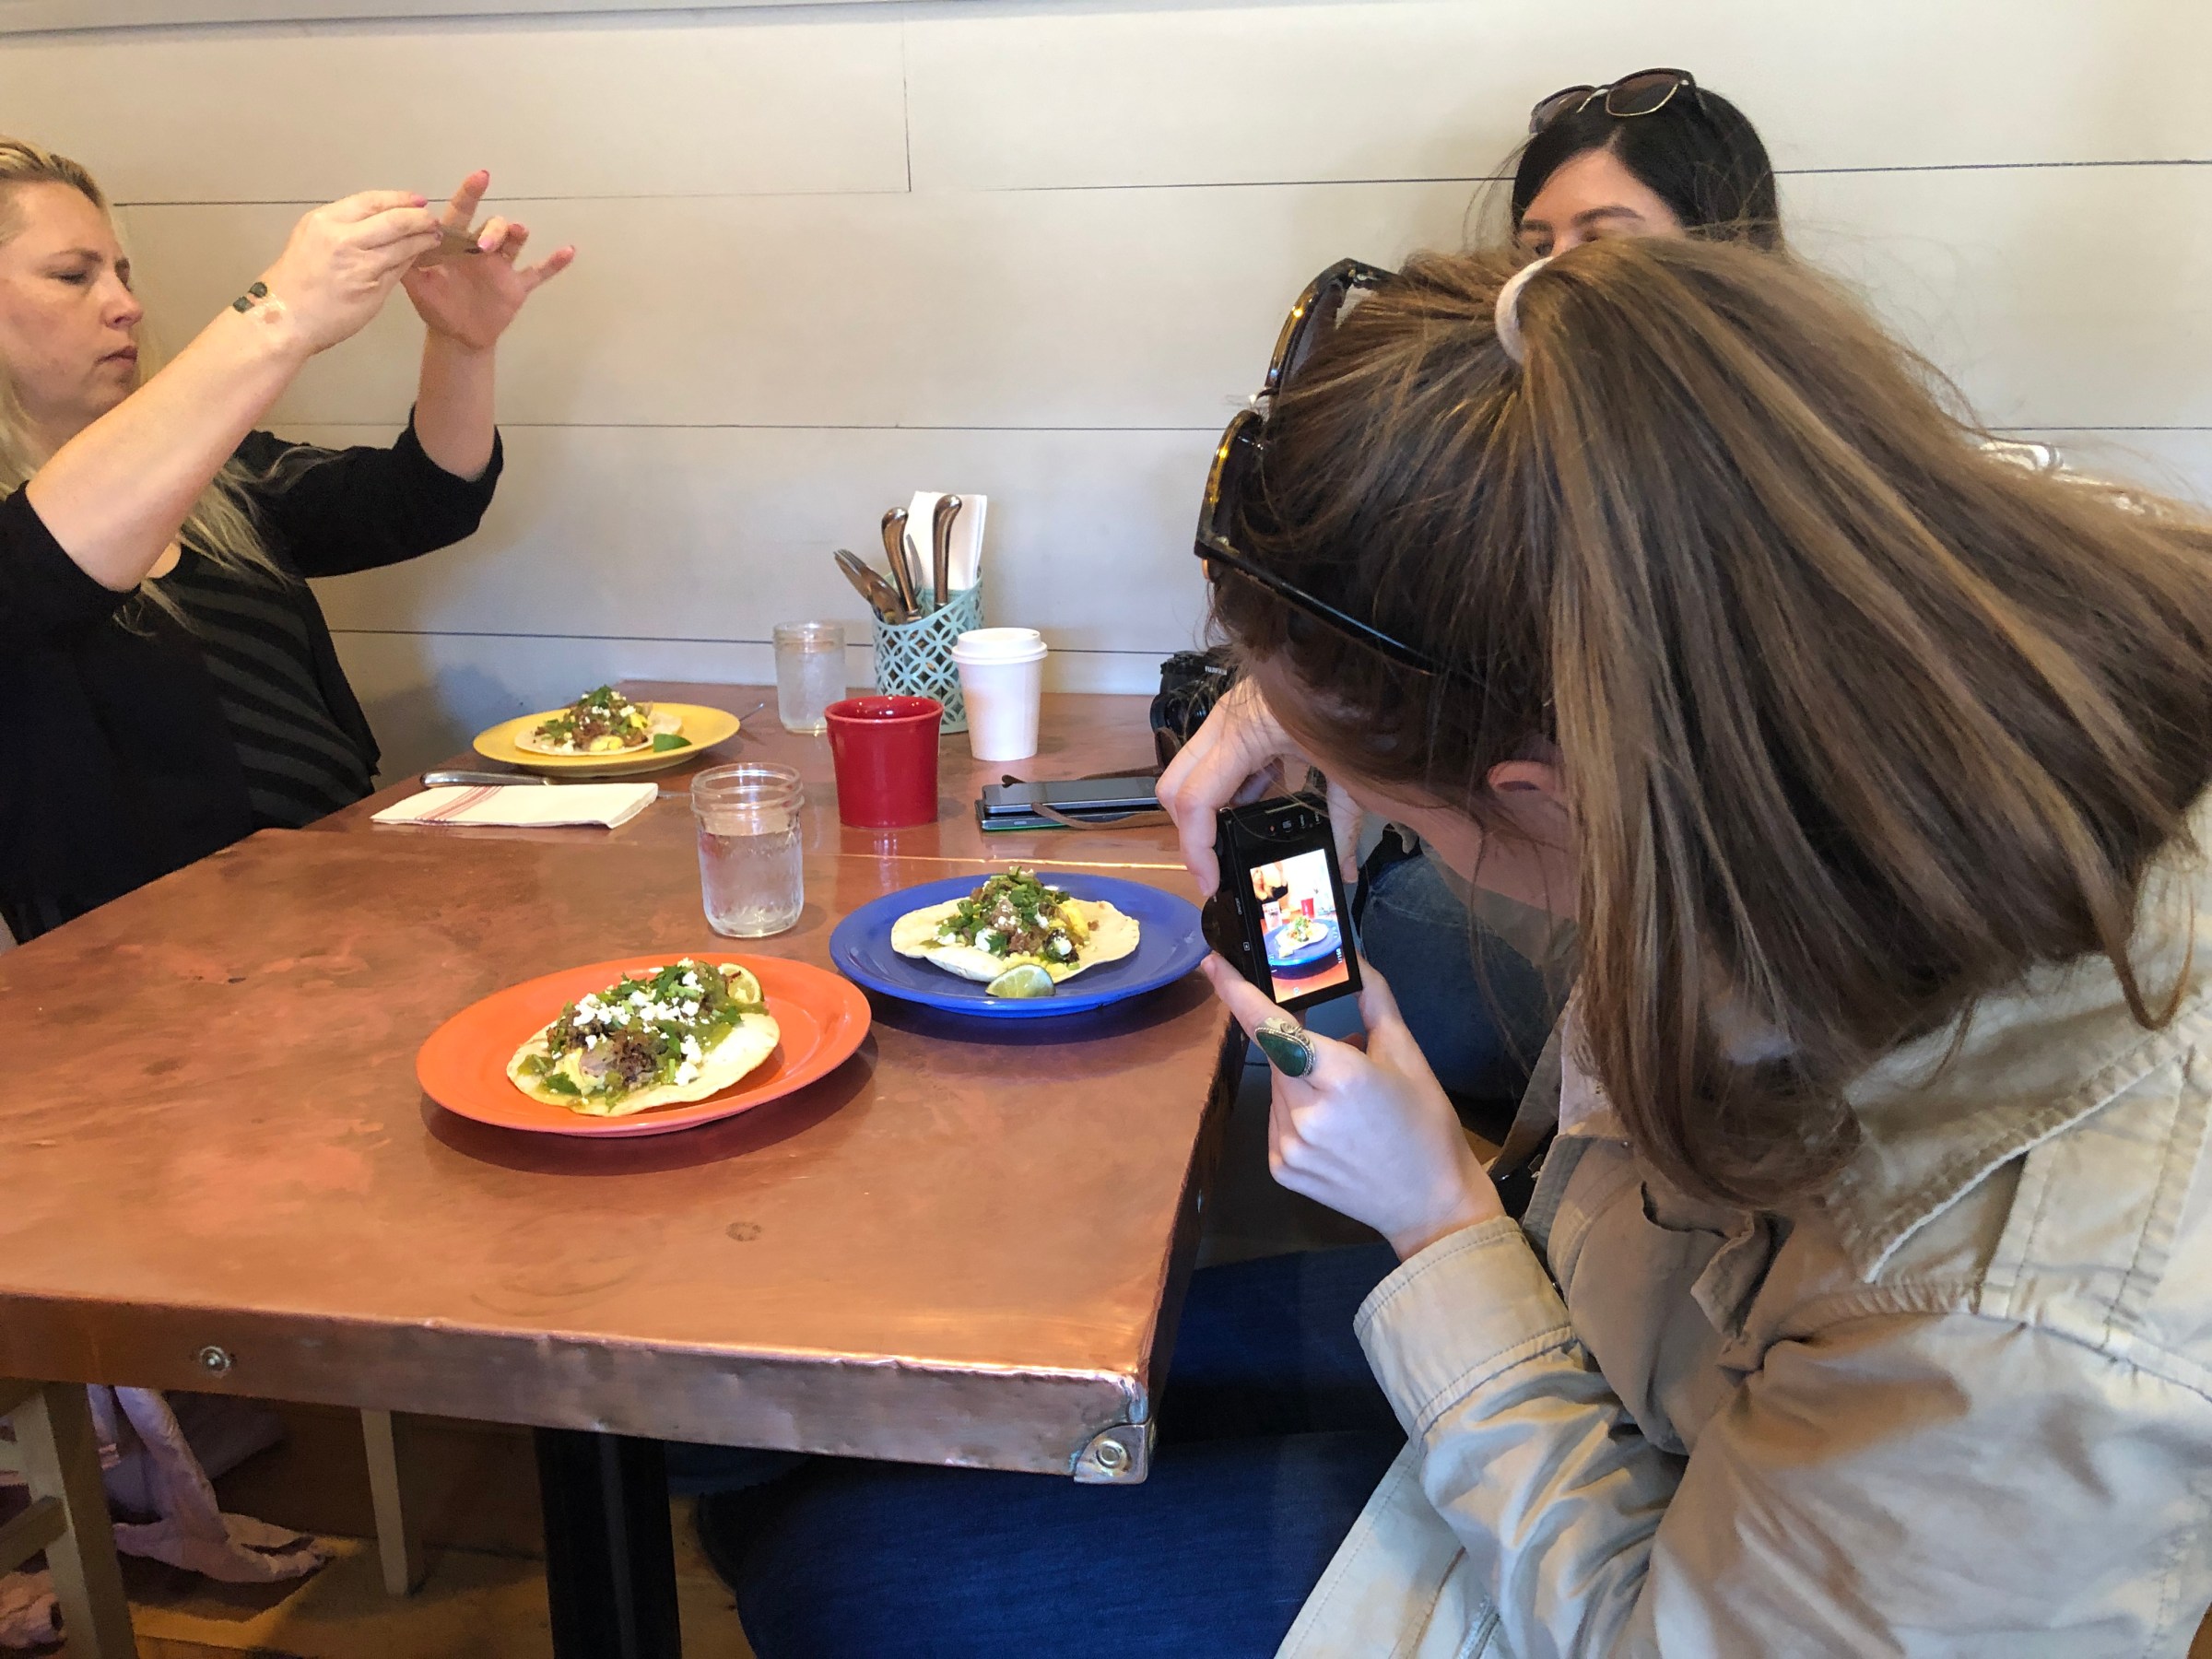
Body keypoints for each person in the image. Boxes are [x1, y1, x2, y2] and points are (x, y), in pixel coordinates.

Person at [710, 236, 2212, 1654]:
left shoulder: (2025, 1319)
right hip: (1607, 1328)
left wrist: (1435, 1220)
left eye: (1378, 797)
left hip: (1630, 1552)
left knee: (844, 1562)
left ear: (1553, 791)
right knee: (807, 1436)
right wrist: (1309, 698)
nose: (1347, 807)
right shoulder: (1801, 665)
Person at [0, 138, 572, 942]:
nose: (125, 303)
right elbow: (46, 564)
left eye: (122, 274)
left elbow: (426, 499)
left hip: (333, 910)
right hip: (137, 976)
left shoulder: (217, 471)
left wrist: (463, 347)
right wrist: (279, 315)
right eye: (73, 274)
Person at [1364, 68, 1783, 1125]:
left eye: (1606, 242)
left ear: (1728, 256)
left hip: (1695, 935)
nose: (1550, 291)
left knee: (1372, 929)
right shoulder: (1522, 453)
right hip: (1607, 902)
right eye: (1537, 250)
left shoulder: (1767, 487)